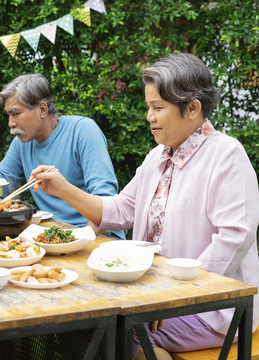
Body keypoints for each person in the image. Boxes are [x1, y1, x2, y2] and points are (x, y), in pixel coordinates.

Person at [29, 53, 259, 359]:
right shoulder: (158, 157)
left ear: (192, 108)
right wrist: (65, 190)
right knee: (95, 321)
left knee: (114, 329)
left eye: (158, 108)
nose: (149, 116)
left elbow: (234, 237)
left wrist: (176, 296)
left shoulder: (226, 154)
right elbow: (120, 210)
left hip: (214, 308)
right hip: (154, 296)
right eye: (148, 107)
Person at [0, 73, 125, 239]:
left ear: (42, 109)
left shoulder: (83, 130)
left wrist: (79, 243)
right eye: (9, 115)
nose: (10, 123)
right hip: (53, 236)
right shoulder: (22, 142)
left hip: (99, 238)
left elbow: (105, 199)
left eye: (16, 114)